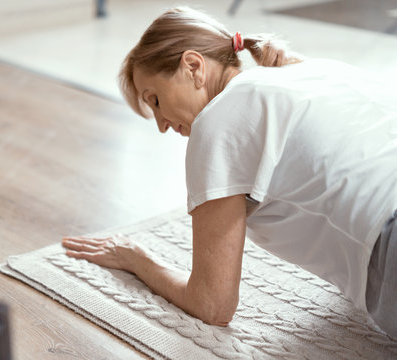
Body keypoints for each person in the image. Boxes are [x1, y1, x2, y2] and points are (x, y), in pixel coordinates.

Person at [62, 7, 397, 336]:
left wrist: (135, 258)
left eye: (156, 100)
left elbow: (213, 305)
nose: (162, 126)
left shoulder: (218, 121)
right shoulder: (319, 70)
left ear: (193, 66)